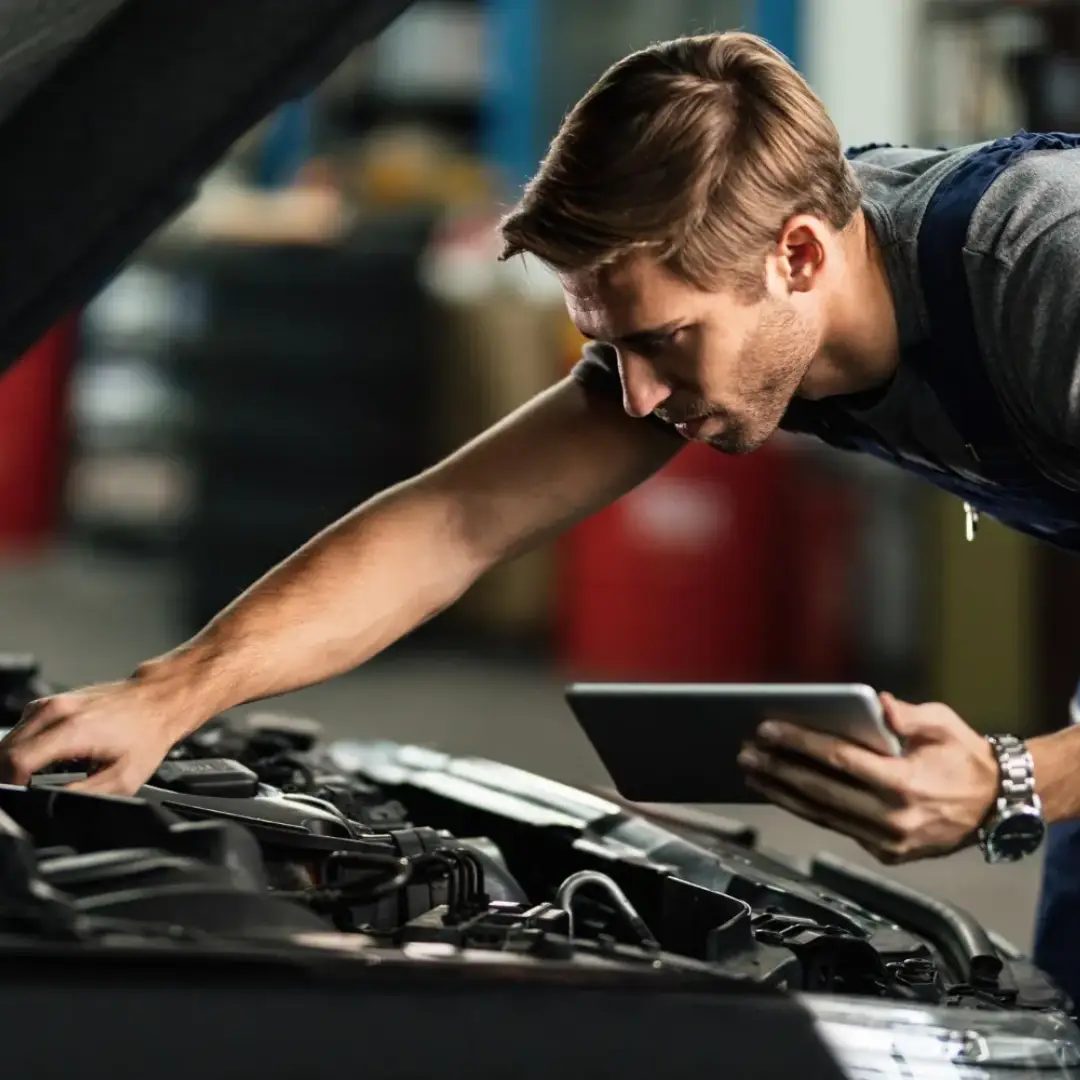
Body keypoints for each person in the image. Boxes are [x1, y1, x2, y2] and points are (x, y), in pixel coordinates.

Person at [2, 30, 1079, 994]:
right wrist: (166, 694)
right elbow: (453, 524)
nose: (639, 398)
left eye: (662, 341)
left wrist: (1016, 779)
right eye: (609, 348)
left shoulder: (1045, 276)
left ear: (797, 255)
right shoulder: (728, 288)